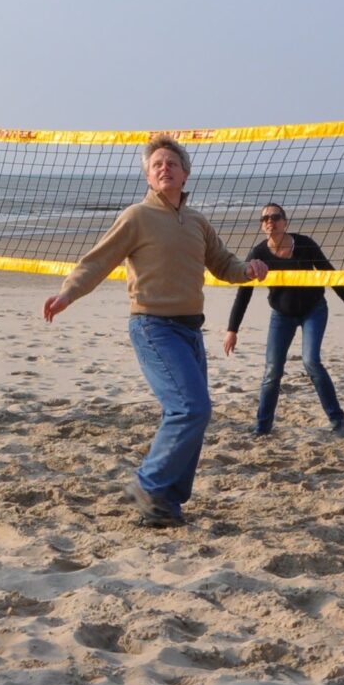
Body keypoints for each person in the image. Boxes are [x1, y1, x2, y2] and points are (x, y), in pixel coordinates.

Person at [42, 136, 267, 527]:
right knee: (191, 408)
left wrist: (248, 270)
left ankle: (165, 504)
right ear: (148, 175)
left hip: (191, 329)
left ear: (185, 173)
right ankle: (147, 484)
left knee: (189, 415)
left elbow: (224, 264)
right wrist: (68, 293)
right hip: (152, 326)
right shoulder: (136, 217)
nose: (165, 168)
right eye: (157, 164)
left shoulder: (197, 221)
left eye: (171, 163)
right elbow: (97, 261)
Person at [222, 203, 344, 437]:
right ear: (262, 226)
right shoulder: (258, 253)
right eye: (265, 219)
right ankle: (263, 428)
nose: (270, 221)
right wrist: (232, 329)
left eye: (275, 217)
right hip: (282, 315)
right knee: (272, 371)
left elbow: (329, 272)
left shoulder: (304, 244)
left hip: (313, 310)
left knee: (311, 362)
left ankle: (339, 423)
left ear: (285, 222)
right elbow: (243, 292)